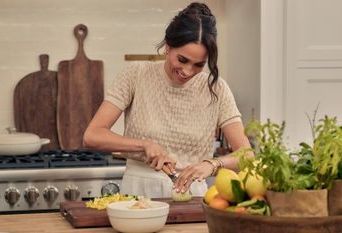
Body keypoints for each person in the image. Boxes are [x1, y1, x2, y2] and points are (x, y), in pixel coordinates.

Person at [83, 2, 251, 198]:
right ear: (167, 47)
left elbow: (246, 155)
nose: (188, 71)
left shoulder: (217, 88)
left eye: (199, 65)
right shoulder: (136, 75)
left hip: (193, 195)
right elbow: (92, 136)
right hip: (139, 193)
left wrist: (213, 164)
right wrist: (144, 145)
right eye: (182, 60)